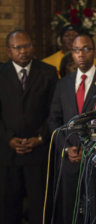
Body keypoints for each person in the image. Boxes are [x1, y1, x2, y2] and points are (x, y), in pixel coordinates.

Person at [47, 34, 96, 224]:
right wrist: (66, 148)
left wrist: (89, 149)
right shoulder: (63, 83)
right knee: (69, 213)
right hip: (69, 160)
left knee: (95, 211)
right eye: (76, 50)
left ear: (95, 52)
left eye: (86, 49)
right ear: (71, 54)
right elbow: (53, 120)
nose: (81, 54)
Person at [0, 30, 57, 224]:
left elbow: (54, 112)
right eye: (18, 47)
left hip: (38, 152)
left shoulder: (48, 72)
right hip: (8, 154)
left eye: (27, 46)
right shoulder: (1, 74)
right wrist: (8, 138)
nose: (23, 51)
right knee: (8, 209)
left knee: (39, 210)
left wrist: (40, 138)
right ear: (9, 51)